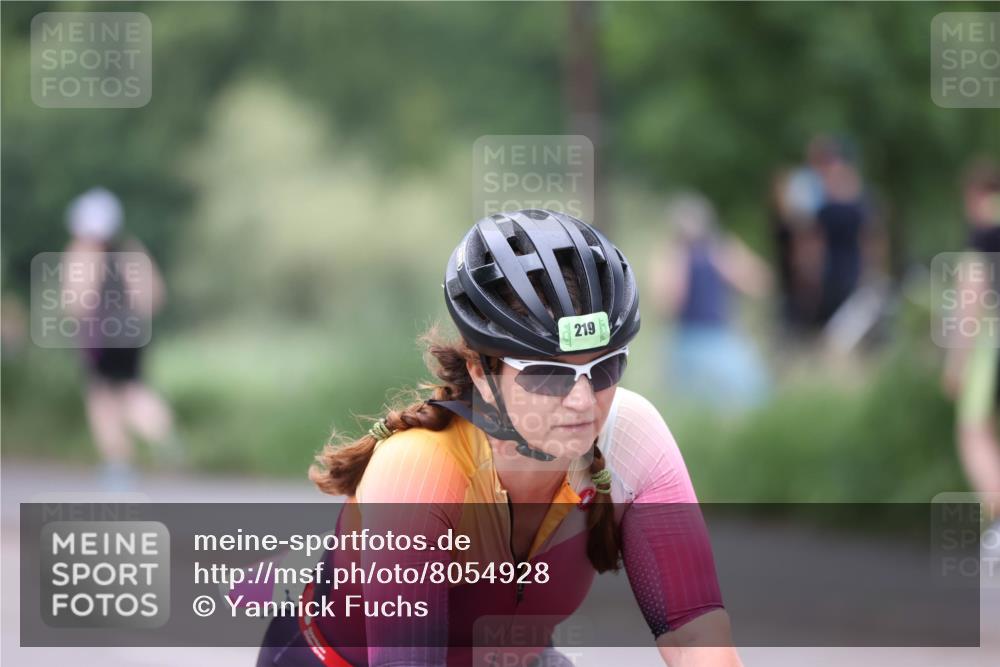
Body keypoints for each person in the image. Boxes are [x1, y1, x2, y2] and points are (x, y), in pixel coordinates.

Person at [257, 209, 743, 666]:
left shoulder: (631, 433)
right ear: (482, 373)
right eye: (547, 375)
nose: (581, 400)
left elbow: (694, 640)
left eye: (605, 367)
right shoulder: (418, 468)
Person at [61, 187, 183, 489]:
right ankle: (162, 433)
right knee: (132, 390)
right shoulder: (131, 250)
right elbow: (155, 295)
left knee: (102, 398)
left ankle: (119, 464)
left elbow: (76, 301)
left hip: (99, 336)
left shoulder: (83, 252)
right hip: (132, 333)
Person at [649, 193, 772, 411]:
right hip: (689, 339)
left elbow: (759, 283)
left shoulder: (720, 249)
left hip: (719, 337)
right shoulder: (674, 255)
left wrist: (730, 264)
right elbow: (668, 304)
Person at [942, 159, 1000, 528]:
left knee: (972, 432)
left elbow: (971, 294)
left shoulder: (985, 229)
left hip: (992, 343)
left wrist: (956, 362)